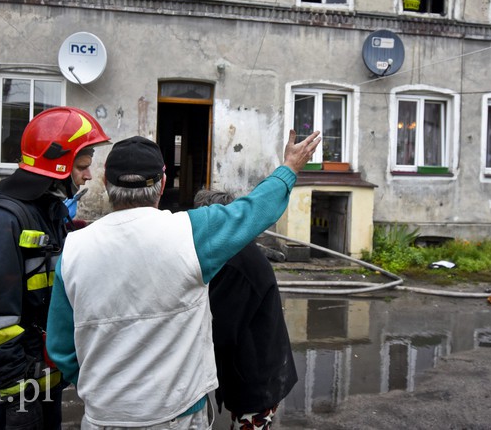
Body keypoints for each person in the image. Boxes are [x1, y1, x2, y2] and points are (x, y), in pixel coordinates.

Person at [47, 129, 321, 429]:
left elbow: (61, 347)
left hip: (103, 417)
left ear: (105, 183)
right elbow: (253, 211)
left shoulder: (72, 249)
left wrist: (105, 388)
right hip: (178, 416)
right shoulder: (191, 232)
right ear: (163, 184)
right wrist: (289, 168)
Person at [0, 106, 110, 430]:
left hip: (41, 385)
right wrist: (18, 396)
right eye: (82, 166)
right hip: (5, 399)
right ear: (58, 168)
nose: (89, 175)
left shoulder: (47, 214)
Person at [193, 189, 298, 430]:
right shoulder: (234, 251)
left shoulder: (236, 260)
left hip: (258, 379)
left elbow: (220, 327)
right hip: (257, 370)